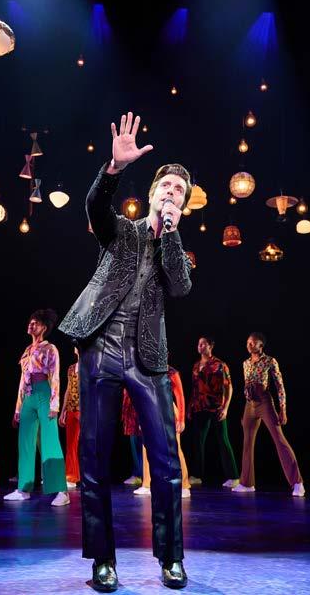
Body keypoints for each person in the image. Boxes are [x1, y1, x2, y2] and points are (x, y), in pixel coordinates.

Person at [59, 111, 191, 590]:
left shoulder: (173, 246)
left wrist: (171, 234)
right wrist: (112, 169)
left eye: (179, 192)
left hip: (148, 359)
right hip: (102, 348)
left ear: (183, 207)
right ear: (152, 194)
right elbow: (95, 206)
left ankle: (171, 558)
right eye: (166, 187)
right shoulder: (121, 230)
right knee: (94, 458)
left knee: (167, 462)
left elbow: (180, 286)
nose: (171, 194)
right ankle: (102, 561)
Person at [5, 309, 70, 506]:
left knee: (50, 441)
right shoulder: (27, 350)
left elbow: (55, 376)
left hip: (44, 393)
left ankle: (61, 491)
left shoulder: (50, 348)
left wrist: (54, 404)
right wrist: (18, 408)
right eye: (30, 322)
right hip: (28, 395)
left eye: (35, 323)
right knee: (25, 442)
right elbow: (22, 380)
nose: (31, 325)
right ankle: (23, 488)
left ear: (44, 327)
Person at [232, 332, 304, 497]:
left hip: (264, 401)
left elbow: (279, 386)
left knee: (279, 439)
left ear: (261, 345)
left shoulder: (270, 361)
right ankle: (246, 483)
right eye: (248, 342)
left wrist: (282, 409)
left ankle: (297, 482)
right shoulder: (245, 363)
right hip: (249, 404)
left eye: (253, 343)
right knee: (247, 443)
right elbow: (247, 385)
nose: (249, 345)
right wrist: (245, 410)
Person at [188, 336, 239, 488]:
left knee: (223, 440)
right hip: (199, 407)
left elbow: (229, 387)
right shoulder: (196, 366)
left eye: (203, 344)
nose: (200, 346)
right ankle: (197, 475)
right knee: (198, 442)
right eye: (199, 344)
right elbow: (194, 389)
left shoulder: (220, 365)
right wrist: (190, 406)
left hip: (216, 407)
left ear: (210, 346)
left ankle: (234, 477)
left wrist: (226, 408)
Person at [133, 366, 191, 499]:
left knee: (174, 447)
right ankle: (147, 484)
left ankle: (184, 485)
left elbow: (180, 396)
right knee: (146, 447)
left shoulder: (171, 372)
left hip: (168, 410)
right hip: (150, 410)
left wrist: (181, 419)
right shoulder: (146, 371)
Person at [59, 347, 81, 489]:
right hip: (72, 409)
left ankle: (87, 475)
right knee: (71, 444)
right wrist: (63, 411)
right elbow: (68, 389)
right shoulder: (72, 368)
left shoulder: (89, 366)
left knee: (85, 444)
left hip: (84, 409)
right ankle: (71, 476)